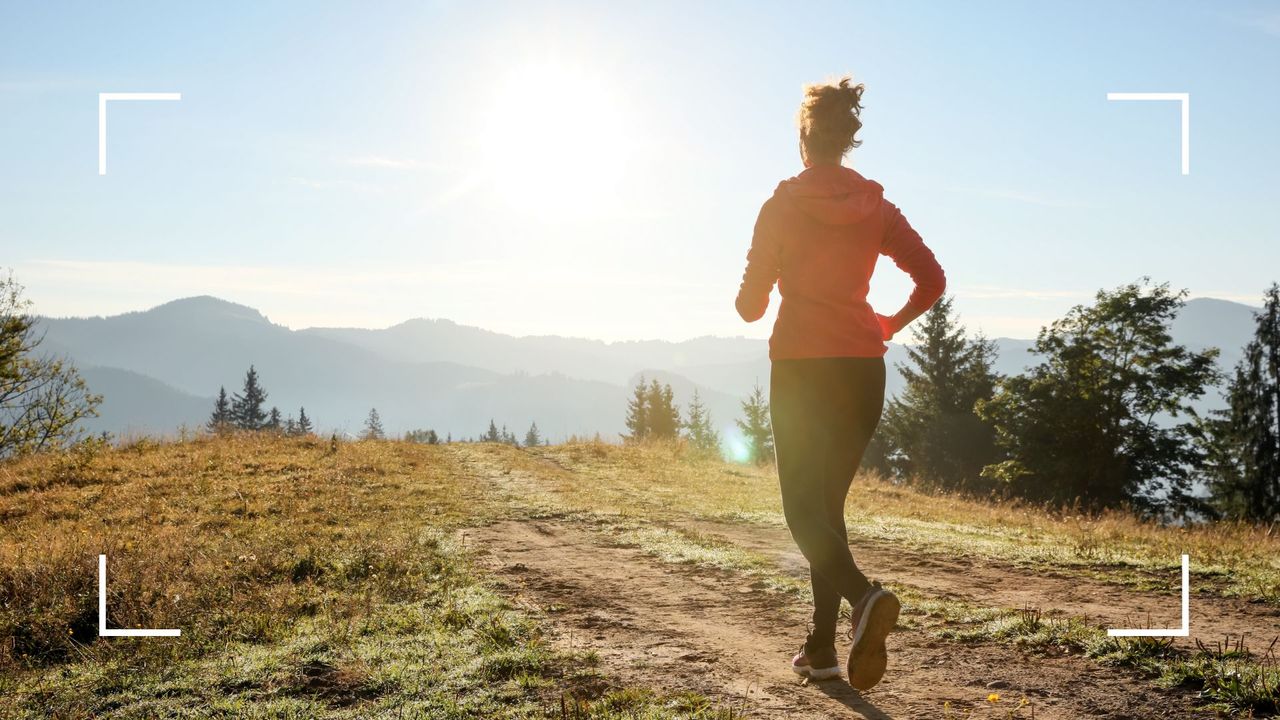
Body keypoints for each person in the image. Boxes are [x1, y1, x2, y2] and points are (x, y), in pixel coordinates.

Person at [735, 76, 945, 690]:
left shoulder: (779, 207)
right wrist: (887, 323)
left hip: (802, 366)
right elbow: (932, 278)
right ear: (847, 139)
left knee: (801, 509)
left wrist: (764, 279)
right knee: (827, 509)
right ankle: (822, 649)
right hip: (862, 366)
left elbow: (750, 308)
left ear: (804, 137)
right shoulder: (876, 206)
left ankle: (865, 598)